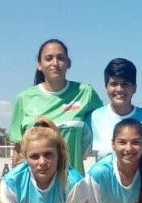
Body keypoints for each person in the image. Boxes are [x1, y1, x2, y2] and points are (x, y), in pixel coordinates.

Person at [8, 38, 103, 174]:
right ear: (39, 65)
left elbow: (106, 122)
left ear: (69, 63)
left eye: (60, 58)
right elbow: (18, 151)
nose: (55, 63)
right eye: (48, 58)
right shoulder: (24, 98)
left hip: (72, 182)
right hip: (35, 183)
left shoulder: (85, 93)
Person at [89, 58, 142, 162]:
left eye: (125, 84)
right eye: (113, 84)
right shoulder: (93, 119)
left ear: (134, 87)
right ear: (106, 87)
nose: (119, 89)